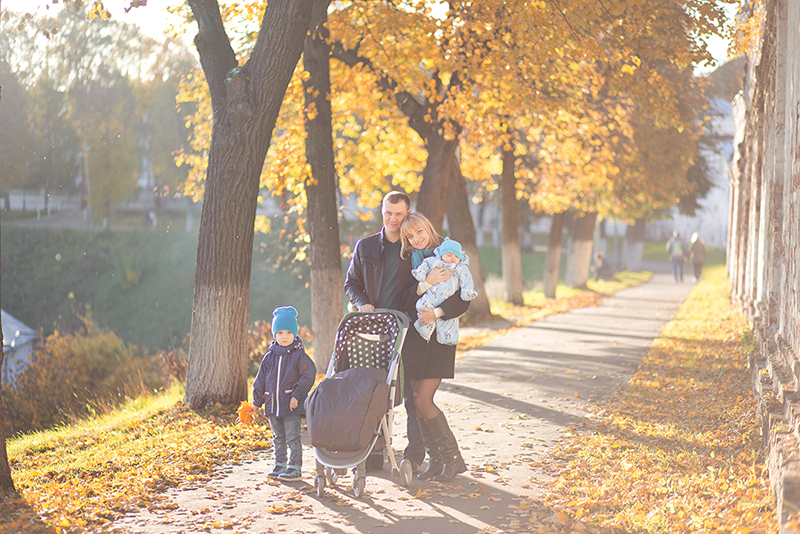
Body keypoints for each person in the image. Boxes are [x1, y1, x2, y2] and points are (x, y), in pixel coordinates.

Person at [344, 192, 468, 476]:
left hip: (417, 331)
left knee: (417, 399)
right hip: (379, 329)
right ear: (382, 211)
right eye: (389, 212)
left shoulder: (422, 251)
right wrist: (362, 303)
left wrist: (436, 308)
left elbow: (455, 295)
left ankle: (422, 457)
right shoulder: (370, 247)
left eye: (399, 214)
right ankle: (375, 453)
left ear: (408, 214)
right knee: (378, 392)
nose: (393, 219)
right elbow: (354, 284)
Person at [398, 212, 472, 481]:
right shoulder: (408, 262)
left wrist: (437, 313)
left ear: (428, 228)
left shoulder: (451, 253)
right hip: (415, 339)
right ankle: (437, 460)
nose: (416, 239)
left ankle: (453, 459)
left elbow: (464, 299)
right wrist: (426, 283)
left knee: (423, 399)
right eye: (410, 236)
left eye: (419, 231)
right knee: (415, 402)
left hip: (441, 338)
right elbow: (402, 300)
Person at [252, 306, 316, 482]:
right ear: (275, 334)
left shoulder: (299, 355)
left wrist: (297, 395)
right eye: (280, 332)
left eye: (289, 332)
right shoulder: (269, 357)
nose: (284, 336)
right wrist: (257, 401)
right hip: (273, 405)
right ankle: (279, 464)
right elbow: (260, 379)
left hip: (291, 405)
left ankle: (295, 467)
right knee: (278, 438)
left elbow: (308, 375)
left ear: (294, 333)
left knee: (293, 437)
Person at [410, 236, 477, 344]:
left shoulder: (460, 268)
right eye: (449, 255)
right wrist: (425, 279)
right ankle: (424, 330)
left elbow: (467, 282)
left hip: (448, 306)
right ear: (441, 255)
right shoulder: (434, 261)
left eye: (456, 256)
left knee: (449, 327)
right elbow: (425, 265)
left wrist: (467, 291)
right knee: (423, 306)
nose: (452, 258)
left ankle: (448, 340)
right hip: (431, 298)